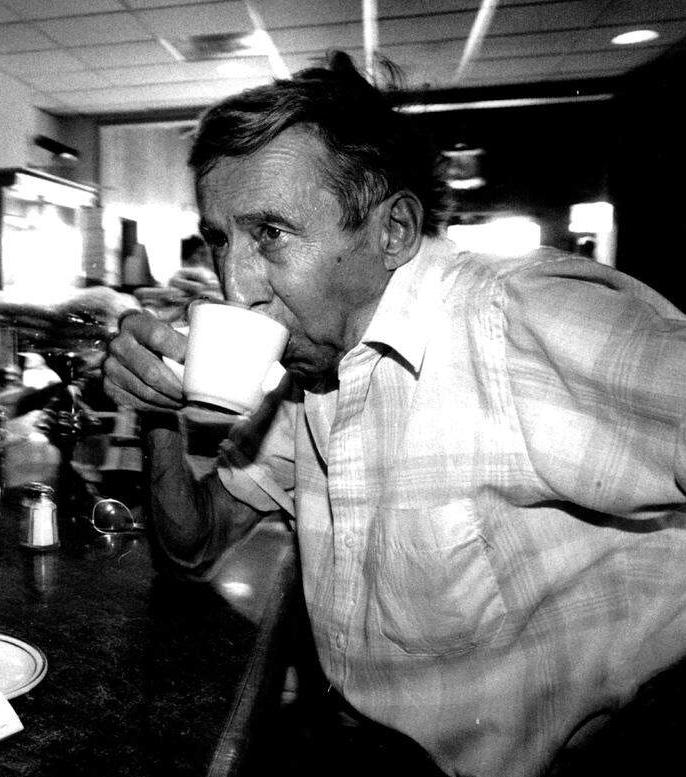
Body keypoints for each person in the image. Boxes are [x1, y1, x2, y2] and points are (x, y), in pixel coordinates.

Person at [102, 51, 686, 777]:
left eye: (271, 235)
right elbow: (192, 545)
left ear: (394, 230)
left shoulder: (516, 317)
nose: (235, 285)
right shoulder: (312, 374)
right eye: (221, 240)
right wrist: (157, 411)